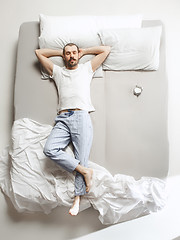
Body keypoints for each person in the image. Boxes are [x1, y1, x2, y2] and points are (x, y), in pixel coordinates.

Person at [35, 43, 111, 216]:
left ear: (78, 54)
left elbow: (106, 50)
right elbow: (39, 52)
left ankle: (77, 199)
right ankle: (84, 171)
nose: (71, 56)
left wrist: (85, 51)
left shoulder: (86, 68)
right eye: (68, 53)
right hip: (62, 118)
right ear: (64, 56)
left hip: (81, 116)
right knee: (50, 149)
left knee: (81, 156)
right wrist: (60, 53)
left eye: (74, 53)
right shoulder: (58, 72)